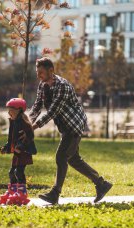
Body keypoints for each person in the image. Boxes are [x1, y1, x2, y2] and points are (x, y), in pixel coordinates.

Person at [28, 57, 112, 204]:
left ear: (51, 71)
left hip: (74, 125)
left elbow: (53, 111)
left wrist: (33, 128)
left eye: (41, 72)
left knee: (61, 157)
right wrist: (27, 122)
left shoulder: (62, 86)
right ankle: (101, 184)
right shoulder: (43, 85)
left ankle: (55, 193)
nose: (38, 75)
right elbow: (37, 106)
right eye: (37, 72)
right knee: (73, 159)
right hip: (64, 126)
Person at [0, 98, 37, 205]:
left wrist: (20, 146)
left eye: (11, 110)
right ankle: (13, 191)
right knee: (11, 172)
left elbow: (30, 136)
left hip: (23, 152)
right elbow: (11, 139)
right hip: (16, 153)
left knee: (18, 172)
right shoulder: (13, 122)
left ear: (19, 110)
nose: (9, 112)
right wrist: (6, 147)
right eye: (9, 110)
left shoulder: (24, 123)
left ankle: (22, 193)